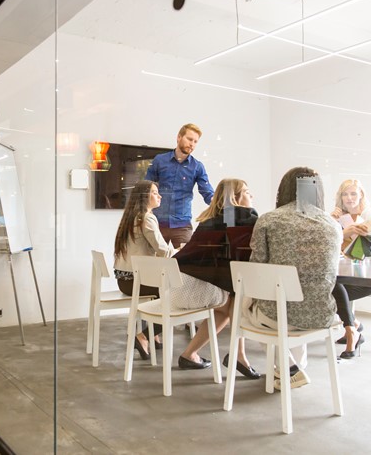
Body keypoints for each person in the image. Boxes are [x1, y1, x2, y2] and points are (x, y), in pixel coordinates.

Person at [243, 167, 342, 389]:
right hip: (321, 314)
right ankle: (291, 371)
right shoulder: (334, 225)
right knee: (292, 307)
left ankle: (289, 369)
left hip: (278, 314)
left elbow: (256, 269)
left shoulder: (269, 220)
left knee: (248, 309)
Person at [173, 178, 260, 377]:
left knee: (228, 307)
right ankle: (238, 356)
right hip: (193, 290)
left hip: (176, 287)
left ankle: (190, 354)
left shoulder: (209, 220)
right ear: (235, 197)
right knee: (235, 305)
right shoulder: (245, 216)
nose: (251, 195)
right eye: (247, 191)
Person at [114, 180, 175, 360]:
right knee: (176, 297)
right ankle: (143, 337)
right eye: (155, 192)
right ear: (144, 197)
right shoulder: (146, 218)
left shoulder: (131, 217)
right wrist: (182, 251)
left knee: (161, 292)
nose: (159, 196)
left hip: (125, 281)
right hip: (135, 282)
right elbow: (163, 250)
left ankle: (153, 336)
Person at [330, 179, 371, 359]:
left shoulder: (368, 215)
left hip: (369, 273)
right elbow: (330, 247)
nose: (349, 198)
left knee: (330, 290)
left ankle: (352, 330)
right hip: (344, 271)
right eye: (345, 194)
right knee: (328, 286)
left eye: (353, 194)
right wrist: (331, 222)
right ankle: (353, 325)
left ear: (361, 196)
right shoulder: (337, 217)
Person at [145, 123, 214, 247]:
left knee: (186, 263)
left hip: (182, 225)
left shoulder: (197, 167)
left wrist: (219, 204)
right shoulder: (159, 161)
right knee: (153, 262)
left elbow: (207, 192)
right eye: (189, 139)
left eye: (195, 141)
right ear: (179, 137)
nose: (192, 144)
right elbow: (146, 188)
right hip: (157, 222)